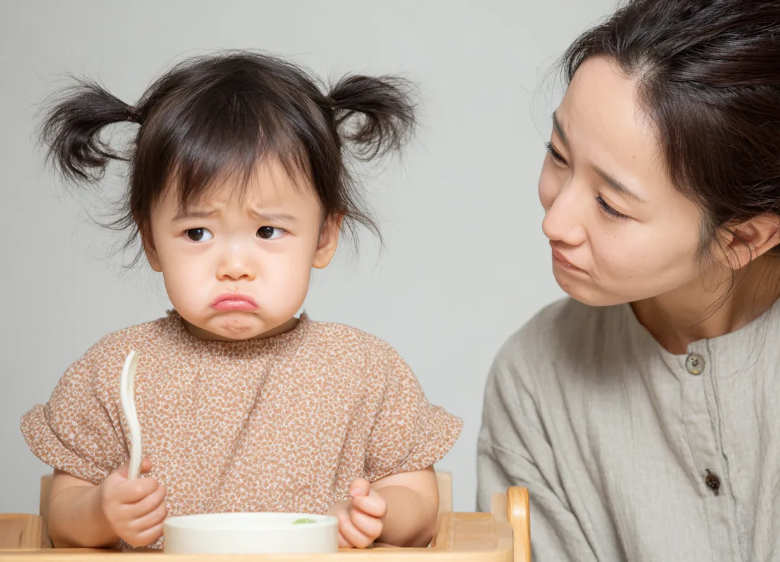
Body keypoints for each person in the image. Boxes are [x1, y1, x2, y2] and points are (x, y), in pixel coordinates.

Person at [477, 0, 780, 562]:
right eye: (558, 155)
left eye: (611, 205)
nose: (554, 221)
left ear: (743, 239)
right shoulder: (535, 377)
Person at [21, 51, 462, 550]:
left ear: (322, 238)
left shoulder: (363, 370)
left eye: (268, 230)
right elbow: (62, 515)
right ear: (151, 241)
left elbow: (420, 503)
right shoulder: (116, 370)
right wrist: (100, 512)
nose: (234, 265)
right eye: (197, 232)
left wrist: (377, 515)